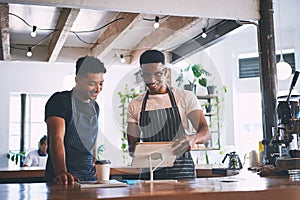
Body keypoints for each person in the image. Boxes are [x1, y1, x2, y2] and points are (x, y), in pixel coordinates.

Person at [126, 49, 210, 180]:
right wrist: (142, 152)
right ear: (141, 74)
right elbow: (132, 149)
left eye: (157, 74)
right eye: (146, 75)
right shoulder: (135, 105)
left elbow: (205, 133)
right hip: (151, 177)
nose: (152, 80)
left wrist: (192, 138)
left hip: (183, 175)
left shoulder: (185, 97)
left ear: (165, 72)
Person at [44, 55, 106, 185]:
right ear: (77, 80)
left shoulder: (95, 107)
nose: (98, 89)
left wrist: (95, 161)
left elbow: (92, 139)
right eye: (92, 84)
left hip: (90, 179)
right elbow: (56, 139)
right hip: (64, 180)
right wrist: (62, 173)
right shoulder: (60, 101)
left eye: (101, 83)